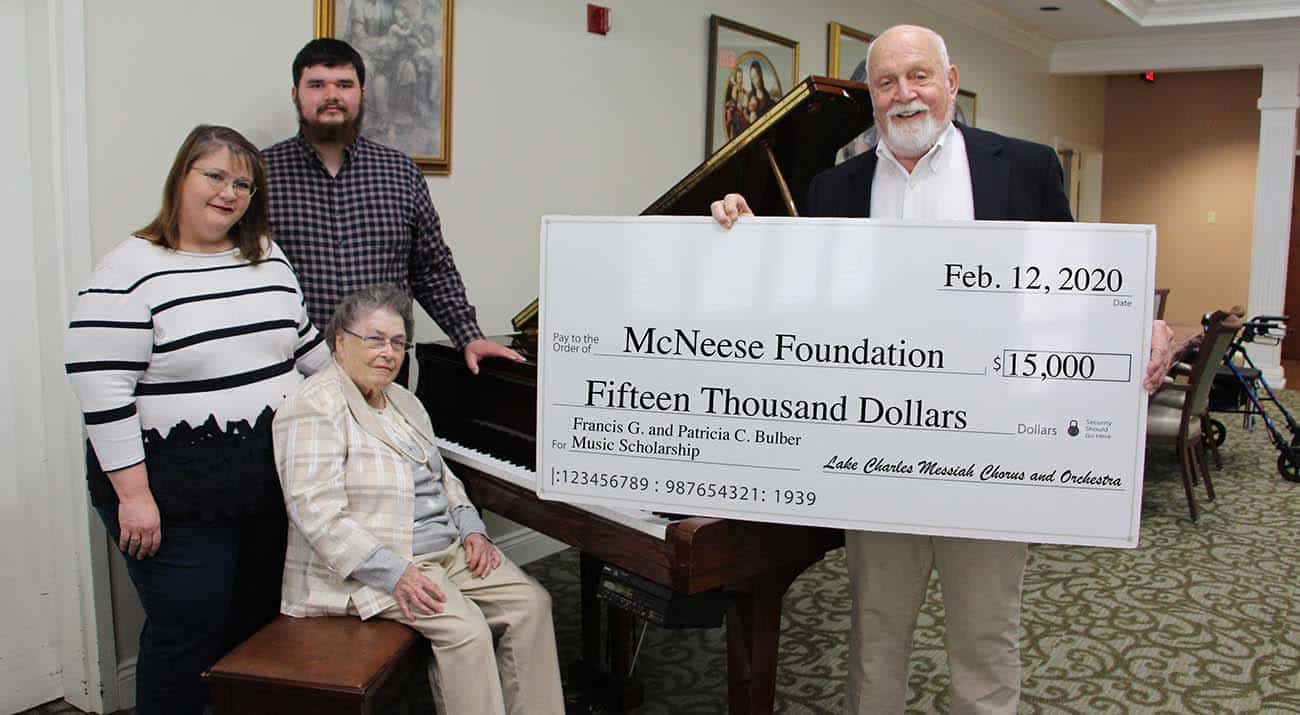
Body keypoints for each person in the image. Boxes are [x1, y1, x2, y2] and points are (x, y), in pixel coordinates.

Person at [712, 24, 1172, 714]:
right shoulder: (832, 187)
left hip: (990, 454)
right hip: (879, 457)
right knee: (874, 641)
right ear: (870, 94)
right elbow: (801, 311)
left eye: (920, 76)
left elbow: (1078, 288)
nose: (905, 95)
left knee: (985, 645)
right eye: (887, 81)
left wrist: (1140, 323)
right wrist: (743, 239)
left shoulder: (1023, 166)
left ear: (951, 82)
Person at [64, 124, 331, 714]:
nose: (230, 193)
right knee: (188, 630)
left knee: (254, 623)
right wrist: (133, 496)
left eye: (244, 183)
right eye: (214, 175)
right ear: (181, 177)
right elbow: (101, 390)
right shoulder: (130, 268)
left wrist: (366, 395)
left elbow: (306, 347)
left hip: (264, 483)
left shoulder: (266, 256)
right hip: (170, 491)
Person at [274, 284, 564, 715]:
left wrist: (472, 528)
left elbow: (442, 475)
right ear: (339, 341)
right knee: (467, 631)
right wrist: (396, 573)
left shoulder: (404, 401)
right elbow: (316, 514)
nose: (388, 353)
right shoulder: (314, 405)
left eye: (397, 342)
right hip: (380, 564)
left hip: (447, 549)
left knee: (530, 604)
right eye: (373, 339)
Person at [262, 38, 521, 383]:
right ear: (296, 94)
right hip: (294, 374)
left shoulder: (400, 172)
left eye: (344, 84)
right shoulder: (260, 173)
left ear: (362, 92)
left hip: (383, 375)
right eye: (317, 85)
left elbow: (431, 268)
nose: (332, 95)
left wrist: (468, 334)